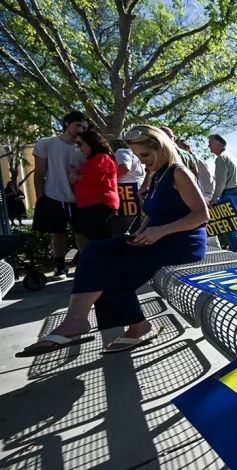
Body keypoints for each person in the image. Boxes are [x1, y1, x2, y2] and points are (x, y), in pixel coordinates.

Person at [16, 125, 209, 357]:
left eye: (145, 155)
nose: (142, 161)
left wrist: (159, 232)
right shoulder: (157, 175)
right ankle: (81, 320)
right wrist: (140, 232)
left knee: (108, 266)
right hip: (156, 238)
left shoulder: (179, 172)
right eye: (138, 156)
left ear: (163, 148)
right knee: (95, 251)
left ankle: (126, 325)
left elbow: (202, 215)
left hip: (182, 243)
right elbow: (152, 214)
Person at [32, 111, 90, 278]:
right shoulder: (46, 143)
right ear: (66, 123)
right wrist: (41, 197)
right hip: (53, 195)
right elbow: (39, 172)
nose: (80, 130)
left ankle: (86, 264)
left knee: (82, 233)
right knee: (57, 232)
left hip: (80, 197)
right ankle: (60, 266)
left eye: (84, 128)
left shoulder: (85, 148)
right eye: (77, 125)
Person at [69, 131, 120, 241]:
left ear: (90, 142)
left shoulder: (102, 157)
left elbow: (94, 178)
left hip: (99, 203)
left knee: (99, 238)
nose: (79, 148)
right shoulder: (92, 160)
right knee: (94, 237)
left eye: (80, 144)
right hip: (90, 204)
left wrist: (78, 177)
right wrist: (75, 178)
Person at [208, 134, 237, 254]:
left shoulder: (221, 159)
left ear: (219, 144)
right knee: (234, 224)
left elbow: (220, 183)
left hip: (229, 194)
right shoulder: (231, 157)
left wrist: (213, 199)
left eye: (210, 143)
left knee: (229, 227)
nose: (208, 146)